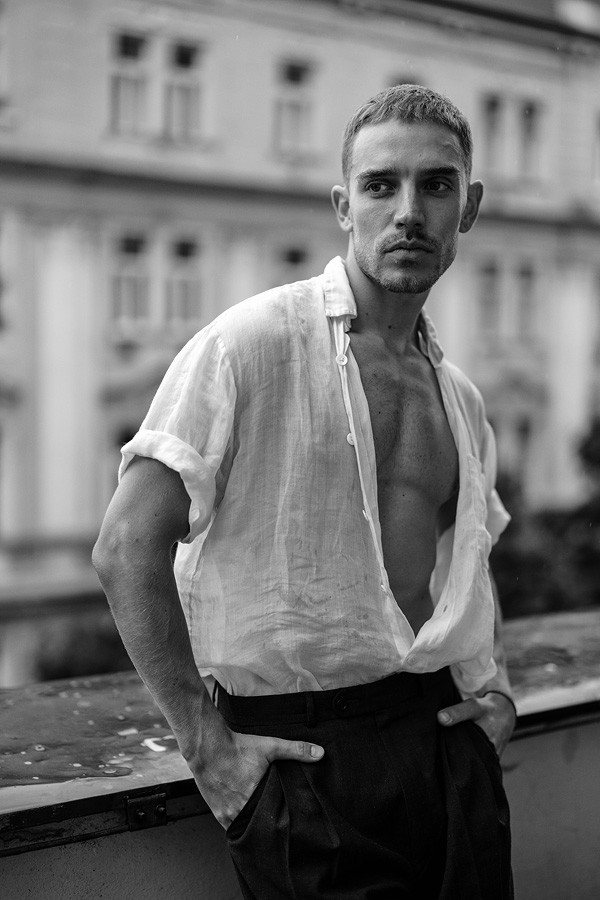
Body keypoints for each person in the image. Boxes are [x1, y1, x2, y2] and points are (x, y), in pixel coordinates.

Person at [93, 84, 516, 899]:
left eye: (436, 185)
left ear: (469, 207)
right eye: (380, 185)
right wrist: (206, 747)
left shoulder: (459, 396)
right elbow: (125, 546)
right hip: (304, 757)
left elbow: (470, 557)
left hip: (443, 734)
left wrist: (492, 689)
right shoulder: (251, 344)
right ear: (343, 206)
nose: (409, 212)